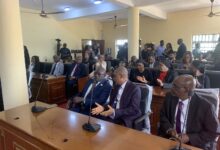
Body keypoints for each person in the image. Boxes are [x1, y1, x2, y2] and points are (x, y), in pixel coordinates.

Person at [158, 75, 219, 149]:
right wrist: (169, 129)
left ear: (187, 89)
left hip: (194, 144)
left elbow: (213, 132)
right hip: (171, 139)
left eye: (176, 86)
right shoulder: (169, 97)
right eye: (173, 85)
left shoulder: (205, 106)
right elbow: (163, 115)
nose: (172, 88)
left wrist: (189, 137)